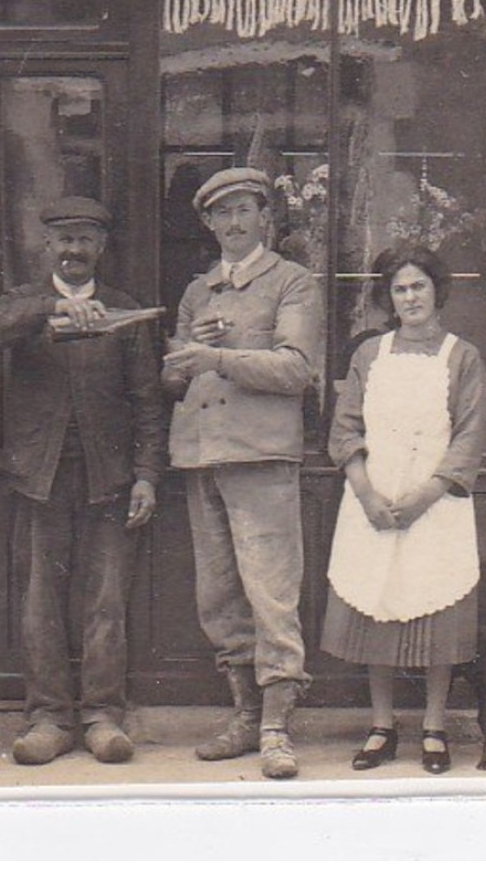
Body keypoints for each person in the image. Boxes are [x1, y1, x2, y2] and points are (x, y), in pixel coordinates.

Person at [0, 196, 166, 765]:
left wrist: (147, 476)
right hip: (38, 479)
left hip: (110, 478)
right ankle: (48, 718)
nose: (74, 250)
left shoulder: (124, 311)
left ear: (100, 248)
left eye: (85, 240)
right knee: (40, 603)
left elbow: (148, 402)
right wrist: (48, 310)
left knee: (106, 603)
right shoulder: (22, 304)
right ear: (45, 246)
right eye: (64, 240)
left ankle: (104, 716)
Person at [162, 167, 322, 780]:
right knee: (219, 596)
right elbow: (173, 381)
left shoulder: (293, 282)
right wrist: (183, 359)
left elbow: (296, 369)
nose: (233, 223)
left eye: (244, 211)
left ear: (264, 218)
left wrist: (217, 357)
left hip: (261, 456)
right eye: (221, 214)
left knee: (271, 592)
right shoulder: (197, 291)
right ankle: (244, 717)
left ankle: (278, 727)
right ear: (207, 224)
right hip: (201, 455)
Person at [321, 246, 486, 775]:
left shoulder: (463, 356)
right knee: (378, 604)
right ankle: (383, 725)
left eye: (418, 286)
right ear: (388, 297)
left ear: (437, 290)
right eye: (400, 289)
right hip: (373, 500)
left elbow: (468, 438)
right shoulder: (369, 354)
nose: (410, 297)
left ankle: (435, 727)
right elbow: (345, 428)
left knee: (435, 607)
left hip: (435, 505)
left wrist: (424, 496)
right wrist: (367, 494)